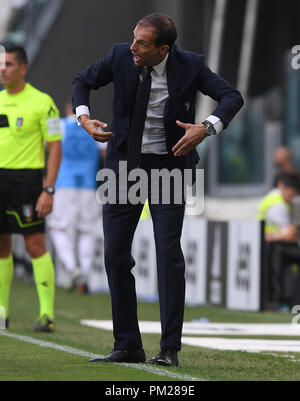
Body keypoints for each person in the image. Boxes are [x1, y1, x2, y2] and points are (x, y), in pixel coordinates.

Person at [72, 13, 244, 366]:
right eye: (133, 39)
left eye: (143, 43)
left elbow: (231, 96)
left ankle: (169, 349)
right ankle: (127, 345)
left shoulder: (191, 65)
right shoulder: (120, 55)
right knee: (116, 254)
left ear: (164, 49)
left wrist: (206, 127)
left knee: (168, 253)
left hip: (170, 167)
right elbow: (81, 81)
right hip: (122, 166)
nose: (133, 47)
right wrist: (83, 117)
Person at [0, 44, 62, 331]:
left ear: (23, 68)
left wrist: (47, 190)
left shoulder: (43, 102)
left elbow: (55, 148)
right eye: (1, 64)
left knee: (34, 244)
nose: (3, 69)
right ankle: (2, 312)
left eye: (9, 64)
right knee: (1, 246)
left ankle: (46, 315)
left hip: (27, 182)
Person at [48, 102, 106, 293]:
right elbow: (106, 152)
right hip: (88, 185)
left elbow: (48, 147)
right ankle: (85, 274)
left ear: (67, 110)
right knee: (86, 231)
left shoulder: (60, 125)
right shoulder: (95, 127)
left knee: (58, 228)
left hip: (63, 184)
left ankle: (72, 267)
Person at [258, 172, 300, 309]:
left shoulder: (295, 203)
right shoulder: (282, 201)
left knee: (277, 250)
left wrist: (270, 237)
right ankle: (281, 300)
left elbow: (290, 234)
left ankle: (278, 300)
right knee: (276, 250)